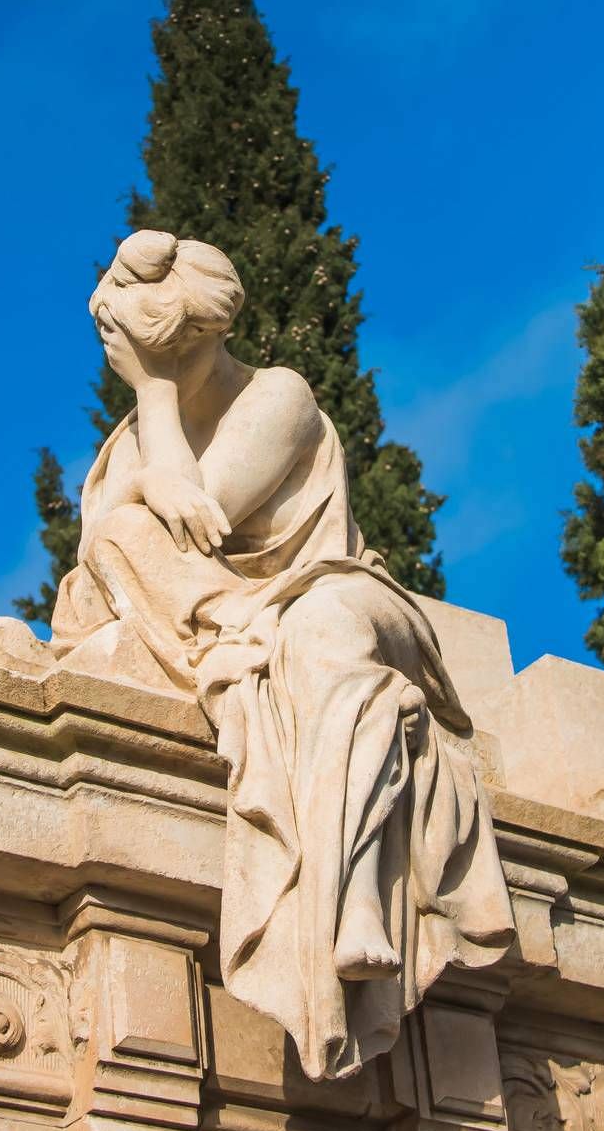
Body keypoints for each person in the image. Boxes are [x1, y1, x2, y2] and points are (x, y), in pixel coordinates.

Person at [51, 229, 514, 1081]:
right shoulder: (130, 446)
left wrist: (154, 399)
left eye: (136, 345)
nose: (119, 358)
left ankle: (352, 893)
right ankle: (242, 645)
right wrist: (147, 456)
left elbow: (201, 518)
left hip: (331, 593)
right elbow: (111, 556)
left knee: (317, 634)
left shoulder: (279, 397)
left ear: (190, 336)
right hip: (219, 614)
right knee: (122, 535)